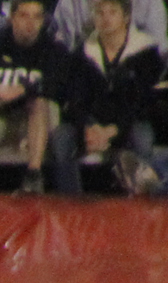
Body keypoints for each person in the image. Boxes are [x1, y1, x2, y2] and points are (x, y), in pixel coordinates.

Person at [0, 0, 74, 189]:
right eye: (24, 16)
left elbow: (57, 87)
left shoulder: (53, 50)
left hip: (39, 113)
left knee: (39, 102)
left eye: (36, 17)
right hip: (2, 109)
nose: (30, 23)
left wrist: (23, 91)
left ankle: (34, 176)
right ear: (12, 18)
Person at [68, 0, 161, 190]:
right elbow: (77, 100)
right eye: (100, 13)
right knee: (62, 138)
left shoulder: (146, 53)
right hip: (94, 123)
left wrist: (113, 130)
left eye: (112, 12)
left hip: (129, 122)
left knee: (141, 137)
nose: (106, 18)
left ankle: (142, 199)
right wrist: (89, 127)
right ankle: (69, 200)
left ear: (126, 17)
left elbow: (143, 102)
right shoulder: (82, 54)